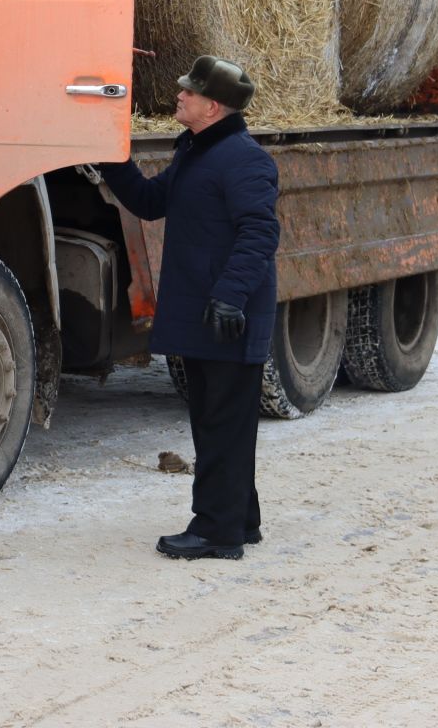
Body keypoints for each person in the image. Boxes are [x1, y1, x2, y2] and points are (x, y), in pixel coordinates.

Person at [96, 55, 280, 561]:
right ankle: (240, 519)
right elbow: (151, 201)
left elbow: (260, 233)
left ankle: (215, 532)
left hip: (228, 317)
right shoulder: (197, 153)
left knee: (221, 422)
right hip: (210, 314)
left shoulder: (243, 158)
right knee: (219, 420)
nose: (179, 96)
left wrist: (230, 295)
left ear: (213, 106)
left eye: (189, 92)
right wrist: (111, 154)